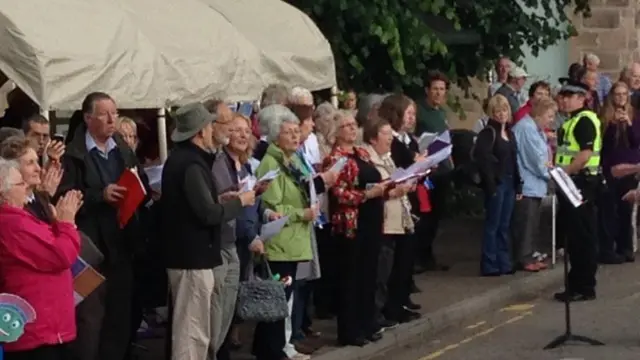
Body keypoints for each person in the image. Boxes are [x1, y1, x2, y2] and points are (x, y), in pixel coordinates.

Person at [55, 92, 150, 360]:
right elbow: (64, 197)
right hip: (90, 250)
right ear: (88, 119)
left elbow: (138, 177)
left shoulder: (121, 148)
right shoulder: (73, 155)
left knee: (119, 320)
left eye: (115, 113)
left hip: (122, 245)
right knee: (89, 322)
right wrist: (100, 194)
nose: (112, 120)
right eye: (104, 114)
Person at [161, 102, 254, 360]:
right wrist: (239, 202)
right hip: (192, 260)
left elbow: (200, 206)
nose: (215, 128)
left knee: (197, 331)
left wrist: (222, 201)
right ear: (201, 131)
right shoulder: (190, 163)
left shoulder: (188, 160)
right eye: (211, 124)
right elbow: (207, 214)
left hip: (193, 257)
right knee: (192, 333)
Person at [252, 104, 319, 360]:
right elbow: (271, 206)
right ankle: (272, 350)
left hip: (295, 240)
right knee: (278, 299)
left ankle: (270, 347)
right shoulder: (271, 162)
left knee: (284, 298)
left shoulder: (294, 158)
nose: (295, 136)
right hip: (280, 241)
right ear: (274, 136)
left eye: (296, 131)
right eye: (289, 132)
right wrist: (302, 213)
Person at [0, 158, 83, 360]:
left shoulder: (20, 217)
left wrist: (57, 223)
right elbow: (60, 255)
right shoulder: (11, 223)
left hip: (47, 329)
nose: (27, 186)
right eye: (20, 184)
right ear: (3, 193)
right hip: (37, 332)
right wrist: (66, 224)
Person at [323, 110, 388, 347]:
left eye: (353, 125)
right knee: (351, 276)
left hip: (371, 219)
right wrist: (367, 194)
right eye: (346, 126)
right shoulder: (335, 159)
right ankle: (350, 330)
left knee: (369, 273)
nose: (352, 129)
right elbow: (338, 193)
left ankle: (367, 322)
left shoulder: (361, 152)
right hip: (351, 223)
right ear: (336, 132)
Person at [361, 117, 417, 329]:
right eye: (386, 134)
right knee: (379, 272)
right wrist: (395, 191)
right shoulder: (370, 160)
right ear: (374, 138)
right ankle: (375, 315)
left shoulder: (388, 157)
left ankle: (387, 310)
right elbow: (373, 190)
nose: (390, 138)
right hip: (382, 221)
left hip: (396, 219)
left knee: (390, 269)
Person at [553, 78, 602, 302]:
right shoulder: (572, 120)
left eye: (568, 96)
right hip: (574, 181)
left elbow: (585, 154)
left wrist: (566, 173)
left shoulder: (583, 120)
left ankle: (583, 286)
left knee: (581, 236)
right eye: (562, 96)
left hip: (580, 182)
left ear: (581, 98)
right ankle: (577, 283)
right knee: (575, 235)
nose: (563, 100)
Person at [473, 94, 522, 276]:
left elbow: (514, 159)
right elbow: (484, 161)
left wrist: (518, 185)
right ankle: (489, 263)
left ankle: (504, 262)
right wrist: (491, 186)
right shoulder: (488, 133)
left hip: (509, 182)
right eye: (497, 111)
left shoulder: (510, 132)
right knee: (492, 224)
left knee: (504, 224)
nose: (501, 114)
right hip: (497, 183)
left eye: (504, 110)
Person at [511, 98, 557, 271]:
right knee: (526, 222)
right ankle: (523, 258)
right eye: (549, 115)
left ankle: (529, 255)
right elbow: (535, 160)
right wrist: (550, 175)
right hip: (528, 183)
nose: (551, 120)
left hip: (535, 184)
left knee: (532, 222)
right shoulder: (526, 129)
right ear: (539, 114)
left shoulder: (535, 130)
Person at [599, 81, 640, 263]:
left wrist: (629, 123)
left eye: (624, 94)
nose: (621, 98)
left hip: (630, 168)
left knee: (626, 209)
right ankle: (609, 248)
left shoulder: (635, 116)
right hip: (611, 168)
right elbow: (604, 144)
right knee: (610, 210)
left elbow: (636, 142)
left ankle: (626, 247)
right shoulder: (604, 116)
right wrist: (613, 124)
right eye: (618, 94)